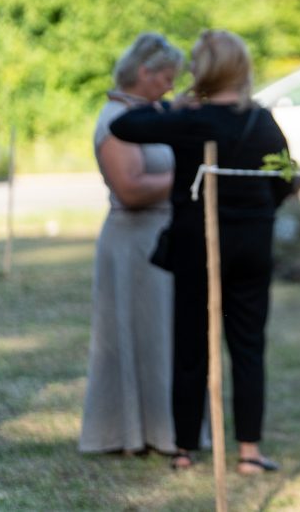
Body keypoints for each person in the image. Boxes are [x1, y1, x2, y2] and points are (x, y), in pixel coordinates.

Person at [111, 30, 293, 474]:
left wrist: (177, 104)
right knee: (248, 346)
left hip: (200, 243)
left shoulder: (193, 119)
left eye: (194, 64)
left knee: (191, 343)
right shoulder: (261, 120)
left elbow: (124, 125)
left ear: (206, 71)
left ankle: (185, 449)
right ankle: (248, 452)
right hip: (251, 243)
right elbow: (286, 178)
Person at [79, 32, 184, 456]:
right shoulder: (115, 119)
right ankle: (124, 431)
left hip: (159, 238)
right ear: (145, 72)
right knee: (132, 334)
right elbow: (130, 188)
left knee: (161, 335)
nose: (170, 87)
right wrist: (191, 178)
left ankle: (162, 429)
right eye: (166, 78)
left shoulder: (152, 112)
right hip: (132, 243)